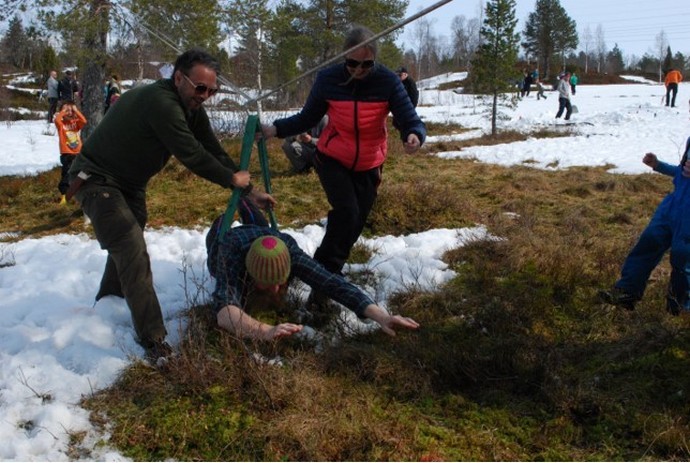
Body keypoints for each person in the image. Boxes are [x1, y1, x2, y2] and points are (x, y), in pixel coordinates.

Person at [67, 48, 274, 365]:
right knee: (131, 245)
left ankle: (110, 300)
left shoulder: (190, 106)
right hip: (96, 179)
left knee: (127, 242)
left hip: (128, 185)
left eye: (212, 91)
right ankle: (153, 340)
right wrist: (231, 178)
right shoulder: (162, 102)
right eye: (200, 88)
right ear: (178, 78)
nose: (205, 96)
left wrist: (249, 191)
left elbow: (212, 149)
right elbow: (191, 153)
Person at [260, 25, 426, 290]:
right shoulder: (329, 79)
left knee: (355, 222)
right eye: (352, 63)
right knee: (347, 213)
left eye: (366, 64)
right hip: (332, 157)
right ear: (343, 57)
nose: (359, 70)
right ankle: (325, 277)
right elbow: (307, 118)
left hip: (371, 162)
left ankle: (326, 271)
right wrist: (275, 129)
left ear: (375, 60)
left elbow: (408, 117)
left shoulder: (387, 81)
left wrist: (414, 134)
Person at [206, 215, 420, 341]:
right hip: (228, 240)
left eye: (280, 282)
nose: (275, 289)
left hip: (264, 233)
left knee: (257, 219)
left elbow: (332, 282)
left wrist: (381, 316)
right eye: (266, 283)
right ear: (250, 274)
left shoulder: (290, 251)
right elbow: (225, 311)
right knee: (217, 235)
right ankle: (227, 214)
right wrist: (265, 331)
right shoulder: (229, 254)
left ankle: (249, 206)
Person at [599, 136, 690, 314]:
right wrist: (658, 165)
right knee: (647, 244)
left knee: (683, 259)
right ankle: (627, 292)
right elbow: (682, 172)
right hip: (672, 206)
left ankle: (679, 312)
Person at [54, 100, 87, 205]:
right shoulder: (61, 124)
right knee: (66, 174)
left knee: (81, 173)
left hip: (77, 152)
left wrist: (75, 111)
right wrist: (64, 111)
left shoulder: (75, 123)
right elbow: (57, 120)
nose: (69, 112)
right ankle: (64, 195)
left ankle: (80, 193)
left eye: (70, 110)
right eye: (66, 110)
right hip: (67, 153)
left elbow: (84, 121)